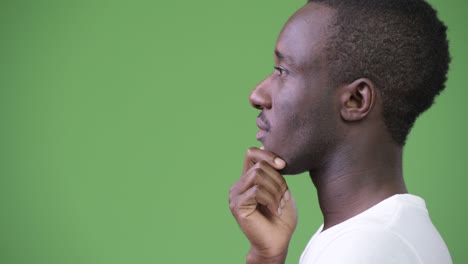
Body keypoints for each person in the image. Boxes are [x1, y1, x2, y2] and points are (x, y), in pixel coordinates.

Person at [228, 0, 452, 263]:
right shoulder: (376, 235)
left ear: (355, 100)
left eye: (282, 71)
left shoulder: (361, 250)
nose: (257, 95)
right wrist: (266, 256)